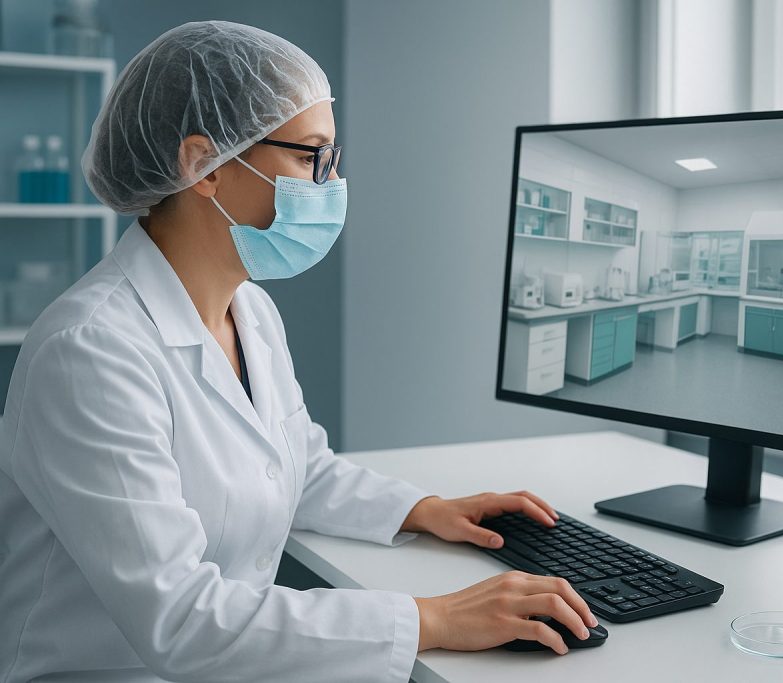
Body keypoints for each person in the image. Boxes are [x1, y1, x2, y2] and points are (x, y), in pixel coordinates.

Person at [0, 21, 595, 683]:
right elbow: (181, 619)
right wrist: (435, 617)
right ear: (203, 164)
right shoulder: (90, 352)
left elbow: (296, 466)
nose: (331, 183)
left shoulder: (249, 308)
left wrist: (424, 509)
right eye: (313, 157)